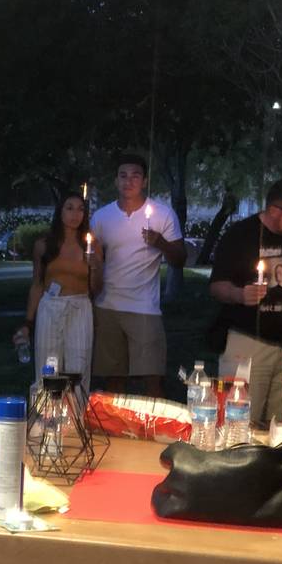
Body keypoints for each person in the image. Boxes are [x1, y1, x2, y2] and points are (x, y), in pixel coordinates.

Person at [210, 178, 282, 424]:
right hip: (248, 345)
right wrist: (240, 294)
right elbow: (216, 286)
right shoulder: (241, 235)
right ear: (275, 210)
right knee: (241, 423)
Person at [90, 154, 185, 397]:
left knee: (152, 379)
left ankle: (152, 430)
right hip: (108, 306)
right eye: (123, 175)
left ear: (144, 181)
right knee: (114, 380)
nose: (128, 181)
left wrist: (160, 242)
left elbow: (179, 259)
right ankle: (117, 428)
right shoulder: (101, 217)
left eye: (135, 176)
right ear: (115, 180)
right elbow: (93, 260)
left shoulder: (162, 215)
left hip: (144, 308)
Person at [14, 192, 102, 396]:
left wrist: (94, 267)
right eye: (69, 208)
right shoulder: (44, 245)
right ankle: (46, 421)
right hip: (50, 307)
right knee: (48, 366)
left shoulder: (92, 246)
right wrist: (28, 322)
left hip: (80, 307)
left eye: (80, 209)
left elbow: (96, 289)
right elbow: (37, 284)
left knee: (78, 367)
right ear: (60, 211)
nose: (75, 214)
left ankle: (75, 421)